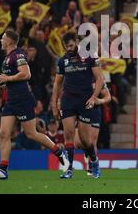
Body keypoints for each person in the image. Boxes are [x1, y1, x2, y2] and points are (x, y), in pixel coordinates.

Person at [0, 30, 69, 180]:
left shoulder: (18, 55)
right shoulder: (6, 58)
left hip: (23, 99)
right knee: (4, 134)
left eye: (3, 38)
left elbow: (26, 74)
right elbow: (14, 79)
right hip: (11, 101)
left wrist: (7, 78)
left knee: (31, 134)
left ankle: (59, 152)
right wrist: (3, 86)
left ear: (10, 41)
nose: (1, 40)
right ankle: (3, 169)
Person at [51, 32, 105, 179]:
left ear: (76, 42)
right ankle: (68, 169)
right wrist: (54, 103)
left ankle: (94, 160)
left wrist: (94, 97)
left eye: (70, 45)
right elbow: (57, 84)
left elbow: (100, 78)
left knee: (85, 140)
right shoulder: (63, 61)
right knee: (68, 135)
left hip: (85, 101)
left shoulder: (90, 56)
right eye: (65, 46)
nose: (68, 48)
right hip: (68, 100)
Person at [74, 83, 111, 176]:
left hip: (94, 111)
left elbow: (108, 97)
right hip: (79, 110)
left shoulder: (98, 79)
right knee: (77, 143)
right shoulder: (78, 75)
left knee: (93, 142)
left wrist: (100, 101)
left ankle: (92, 166)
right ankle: (87, 151)